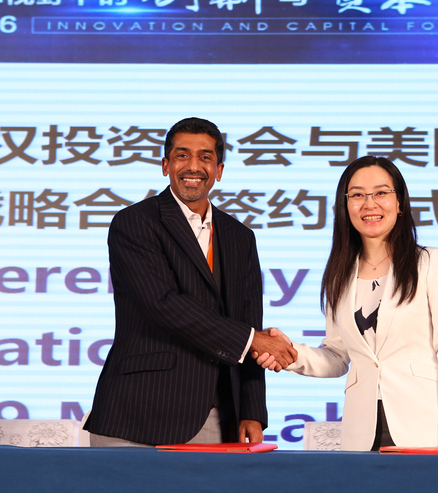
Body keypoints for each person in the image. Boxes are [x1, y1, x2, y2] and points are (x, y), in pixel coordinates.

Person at [84, 117, 297, 447]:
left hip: (215, 414)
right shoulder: (134, 223)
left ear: (219, 170)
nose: (193, 166)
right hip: (135, 412)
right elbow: (163, 305)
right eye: (182, 155)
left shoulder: (241, 237)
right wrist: (254, 340)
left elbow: (249, 321)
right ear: (166, 165)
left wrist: (252, 411)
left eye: (205, 157)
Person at [255, 156, 438, 451]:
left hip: (423, 428)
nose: (369, 204)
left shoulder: (429, 262)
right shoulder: (339, 275)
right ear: (345, 206)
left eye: (381, 193)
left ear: (400, 203)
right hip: (361, 432)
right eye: (357, 195)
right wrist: (291, 354)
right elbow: (337, 356)